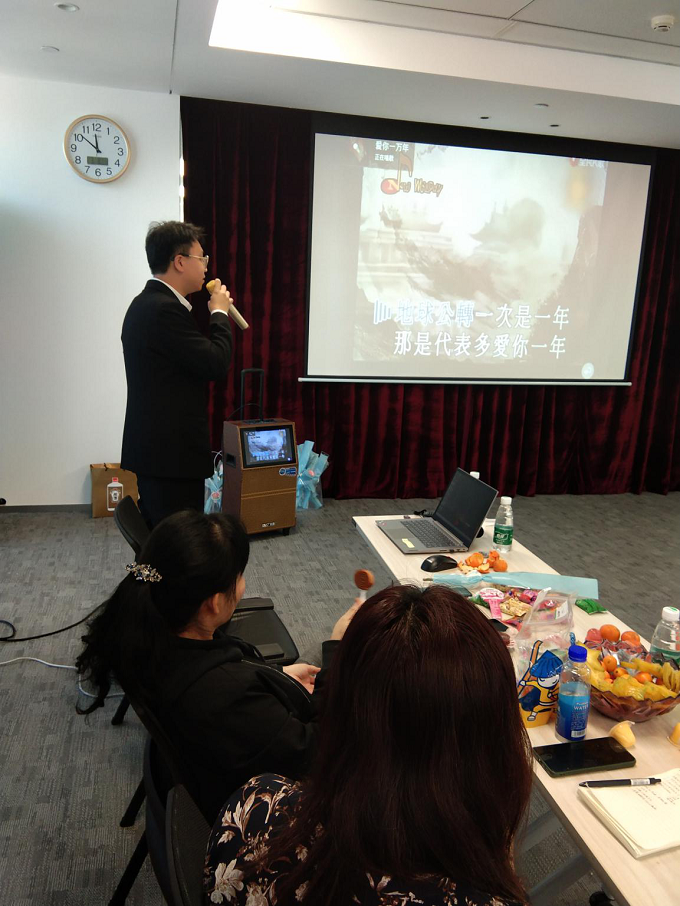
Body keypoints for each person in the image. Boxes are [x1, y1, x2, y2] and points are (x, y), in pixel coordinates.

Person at [204, 584, 533, 906]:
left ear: (343, 711)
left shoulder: (251, 809)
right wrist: (495, 841)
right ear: (495, 744)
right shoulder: (486, 896)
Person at [75, 510, 357, 823]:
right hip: (271, 803)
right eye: (239, 576)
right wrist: (338, 654)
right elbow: (317, 751)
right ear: (214, 603)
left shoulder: (149, 634)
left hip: (223, 750)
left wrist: (277, 676)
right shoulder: (224, 694)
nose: (243, 585)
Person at [121, 221, 234, 527]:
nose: (206, 267)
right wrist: (219, 313)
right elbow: (215, 362)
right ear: (180, 262)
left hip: (162, 453)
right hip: (170, 456)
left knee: (169, 537)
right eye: (202, 258)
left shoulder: (148, 304)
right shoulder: (163, 310)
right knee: (178, 542)